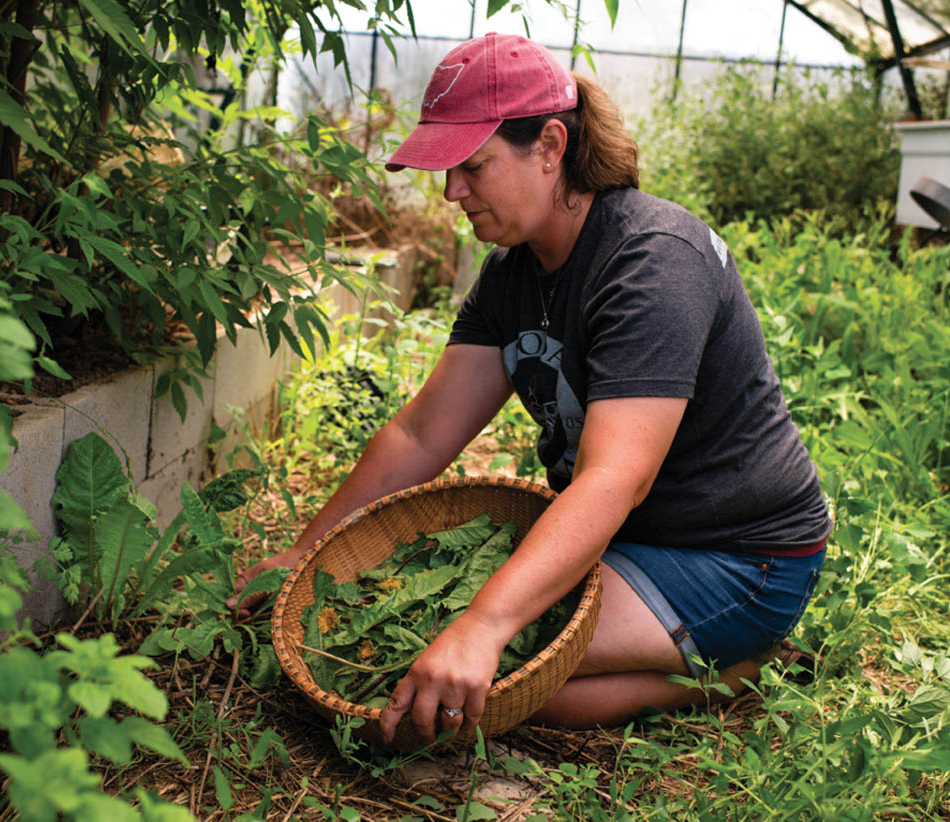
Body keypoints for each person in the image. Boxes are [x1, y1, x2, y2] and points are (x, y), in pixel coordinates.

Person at [233, 32, 832, 745]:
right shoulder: (513, 274)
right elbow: (423, 433)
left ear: (550, 146)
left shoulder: (651, 263)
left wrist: (483, 625)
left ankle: (740, 660)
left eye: (472, 166)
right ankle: (703, 662)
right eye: (447, 170)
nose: (452, 191)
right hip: (622, 546)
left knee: (440, 672)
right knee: (415, 656)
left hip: (737, 557)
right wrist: (306, 554)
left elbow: (614, 479)